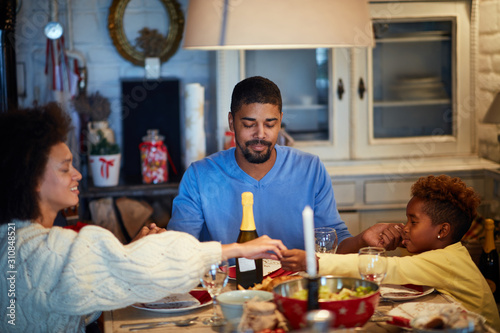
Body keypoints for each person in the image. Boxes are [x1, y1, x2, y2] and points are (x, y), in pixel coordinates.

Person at [0, 103, 287, 333]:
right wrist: (239, 249)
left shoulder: (13, 239)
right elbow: (165, 264)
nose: (77, 174)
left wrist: (128, 256)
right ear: (33, 179)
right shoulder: (46, 250)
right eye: (65, 168)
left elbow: (79, 293)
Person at [168, 76, 403, 263]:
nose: (260, 134)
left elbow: (333, 246)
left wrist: (363, 239)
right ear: (231, 123)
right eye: (249, 124)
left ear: (280, 121)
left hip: (294, 290)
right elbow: (180, 251)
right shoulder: (200, 176)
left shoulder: (310, 169)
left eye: (270, 124)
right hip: (226, 292)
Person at [313, 175, 500, 329]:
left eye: (413, 222)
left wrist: (315, 261)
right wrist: (402, 242)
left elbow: (388, 267)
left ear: (442, 231)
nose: (405, 227)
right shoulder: (450, 252)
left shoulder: (446, 261)